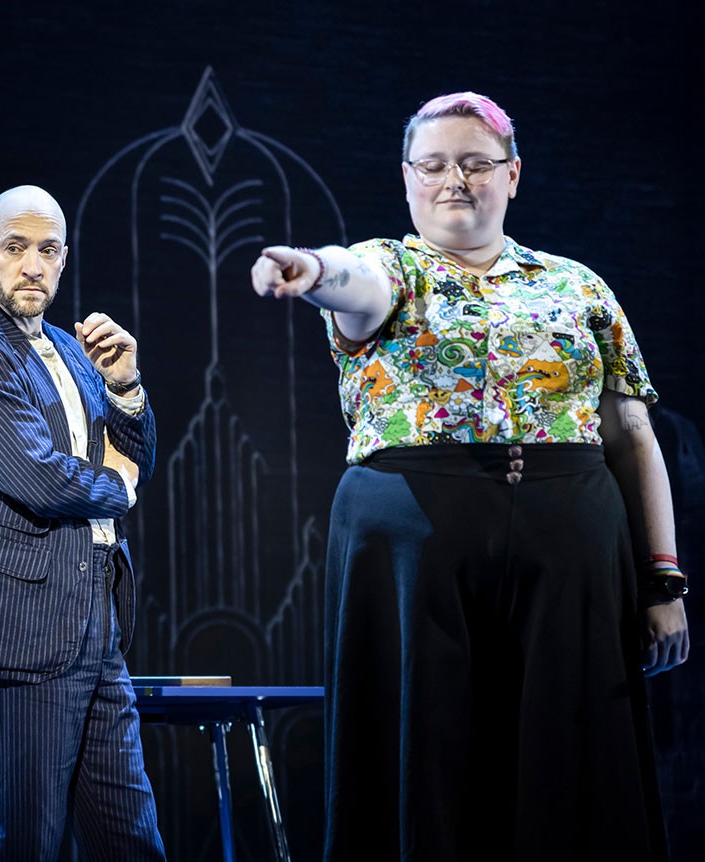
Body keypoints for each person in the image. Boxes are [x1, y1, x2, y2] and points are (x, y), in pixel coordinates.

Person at [249, 92, 688, 862]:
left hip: (570, 541)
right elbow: (355, 283)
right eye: (436, 164)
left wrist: (663, 581)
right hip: (416, 543)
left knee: (568, 750)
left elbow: (632, 433)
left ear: (511, 176)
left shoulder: (578, 287)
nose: (456, 179)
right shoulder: (394, 265)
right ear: (409, 177)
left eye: (476, 163)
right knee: (428, 749)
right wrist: (312, 268)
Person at [0, 185, 167, 860]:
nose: (33, 264)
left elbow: (136, 457)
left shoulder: (72, 349)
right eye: (15, 248)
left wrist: (125, 386)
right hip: (27, 621)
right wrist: (117, 483)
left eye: (48, 250)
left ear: (63, 259)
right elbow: (38, 477)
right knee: (25, 838)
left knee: (131, 838)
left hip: (98, 617)